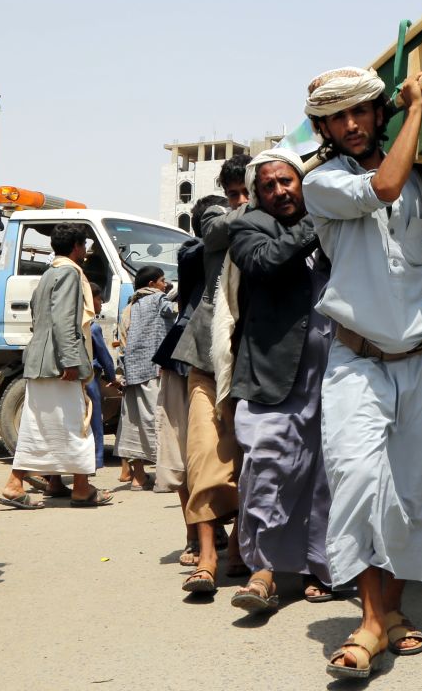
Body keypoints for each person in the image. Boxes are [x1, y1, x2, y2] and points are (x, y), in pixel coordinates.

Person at [302, 66, 422, 679]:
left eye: (360, 112)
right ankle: (372, 624)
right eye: (336, 117)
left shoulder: (417, 179)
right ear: (323, 127)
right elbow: (385, 187)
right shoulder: (324, 183)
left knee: (416, 493)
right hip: (357, 359)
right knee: (359, 482)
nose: (350, 125)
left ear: (377, 115)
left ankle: (386, 613)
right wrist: (419, 111)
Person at [211, 149, 334, 608]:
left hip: (333, 374)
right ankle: (261, 570)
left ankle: (318, 568)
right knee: (267, 468)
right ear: (258, 195)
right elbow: (268, 261)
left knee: (324, 474)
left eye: (288, 181)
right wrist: (319, 215)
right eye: (269, 186)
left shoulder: (335, 227)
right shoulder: (248, 227)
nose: (281, 190)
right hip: (272, 373)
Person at [3, 224, 113, 508]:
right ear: (77, 246)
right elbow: (66, 321)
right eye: (84, 245)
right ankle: (79, 488)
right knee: (77, 422)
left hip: (40, 362)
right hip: (59, 365)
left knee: (39, 426)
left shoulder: (48, 274)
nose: (86, 251)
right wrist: (71, 361)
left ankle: (21, 484)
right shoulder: (69, 274)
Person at [173, 191, 249, 582]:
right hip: (207, 360)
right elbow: (215, 226)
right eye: (236, 192)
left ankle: (238, 546)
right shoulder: (220, 220)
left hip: (253, 363)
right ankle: (206, 555)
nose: (243, 198)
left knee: (247, 460)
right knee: (204, 457)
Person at [114, 265, 176, 490]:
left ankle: (139, 477)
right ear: (151, 285)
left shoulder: (129, 306)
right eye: (162, 280)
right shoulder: (159, 299)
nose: (165, 284)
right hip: (154, 371)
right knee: (159, 422)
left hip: (132, 373)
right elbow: (174, 311)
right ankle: (162, 477)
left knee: (133, 424)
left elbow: (122, 340)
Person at [86, 283, 116, 469]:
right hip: (91, 379)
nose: (101, 304)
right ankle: (96, 460)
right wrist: (113, 377)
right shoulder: (93, 328)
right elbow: (105, 358)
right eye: (99, 300)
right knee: (95, 420)